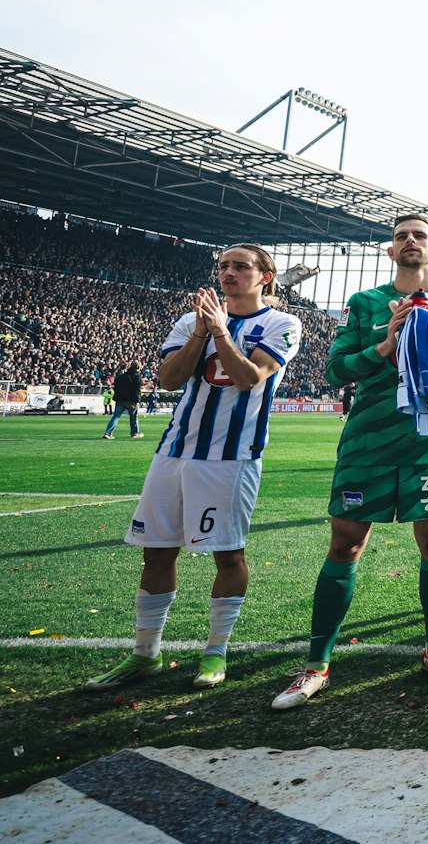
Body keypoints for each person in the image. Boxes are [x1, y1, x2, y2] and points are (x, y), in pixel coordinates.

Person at [272, 215, 428, 710]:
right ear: (391, 252)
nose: (410, 241)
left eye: (420, 236)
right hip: (367, 446)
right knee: (346, 544)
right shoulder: (366, 304)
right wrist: (384, 346)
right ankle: (316, 663)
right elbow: (335, 370)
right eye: (400, 237)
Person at [84, 245, 302, 692]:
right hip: (173, 452)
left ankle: (215, 651)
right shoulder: (190, 322)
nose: (229, 273)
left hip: (229, 457)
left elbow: (248, 379)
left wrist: (221, 332)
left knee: (227, 553)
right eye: (223, 266)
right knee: (158, 550)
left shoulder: (282, 324)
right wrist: (202, 333)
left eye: (241, 266)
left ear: (265, 276)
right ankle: (145, 654)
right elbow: (168, 379)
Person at [102, 361, 144, 439]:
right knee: (133, 417)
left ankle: (108, 433)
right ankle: (134, 433)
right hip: (131, 400)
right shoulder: (137, 376)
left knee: (116, 416)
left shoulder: (122, 376)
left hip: (120, 399)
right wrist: (137, 400)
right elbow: (137, 390)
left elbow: (116, 386)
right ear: (138, 368)